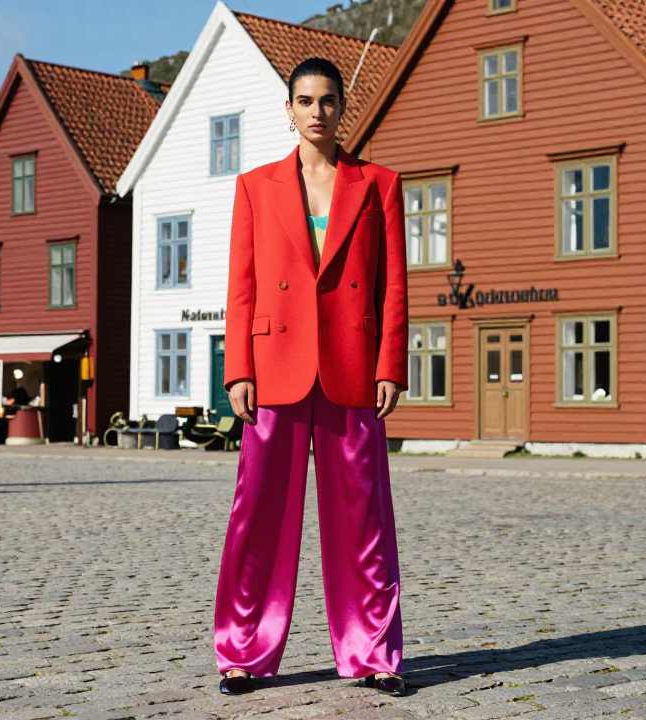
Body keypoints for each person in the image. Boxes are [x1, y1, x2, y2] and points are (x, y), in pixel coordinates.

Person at [213, 58, 409, 698]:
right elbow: (240, 288)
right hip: (275, 371)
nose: (317, 111)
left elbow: (396, 285)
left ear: (342, 107)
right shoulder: (254, 186)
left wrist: (391, 365)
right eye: (305, 100)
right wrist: (237, 369)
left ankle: (372, 652)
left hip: (353, 367)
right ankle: (243, 652)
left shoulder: (379, 183)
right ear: (288, 109)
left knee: (365, 518)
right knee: (257, 517)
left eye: (328, 100)